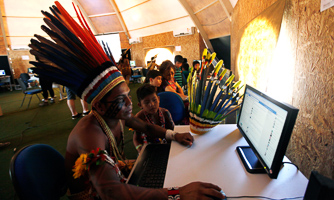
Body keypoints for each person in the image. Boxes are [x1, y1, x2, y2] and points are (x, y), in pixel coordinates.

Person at [29, 5, 225, 199]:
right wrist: (177, 194)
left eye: (128, 96)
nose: (129, 103)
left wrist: (173, 135)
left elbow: (142, 125)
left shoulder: (114, 113)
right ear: (99, 106)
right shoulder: (89, 134)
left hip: (115, 175)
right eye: (122, 100)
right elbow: (111, 193)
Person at [133, 84, 174, 153]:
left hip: (165, 146)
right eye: (146, 102)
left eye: (154, 100)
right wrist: (140, 151)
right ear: (140, 105)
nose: (152, 104)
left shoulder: (165, 113)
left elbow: (172, 131)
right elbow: (136, 139)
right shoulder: (139, 118)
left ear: (158, 99)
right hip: (148, 150)